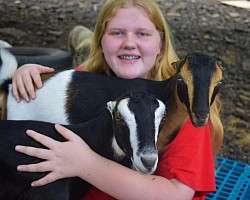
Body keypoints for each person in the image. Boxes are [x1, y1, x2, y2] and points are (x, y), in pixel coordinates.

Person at [13, 0, 224, 199]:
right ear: (100, 42)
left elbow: (177, 194)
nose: (129, 43)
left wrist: (86, 164)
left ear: (161, 44)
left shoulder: (185, 109)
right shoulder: (84, 82)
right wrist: (28, 76)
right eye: (117, 33)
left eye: (142, 34)